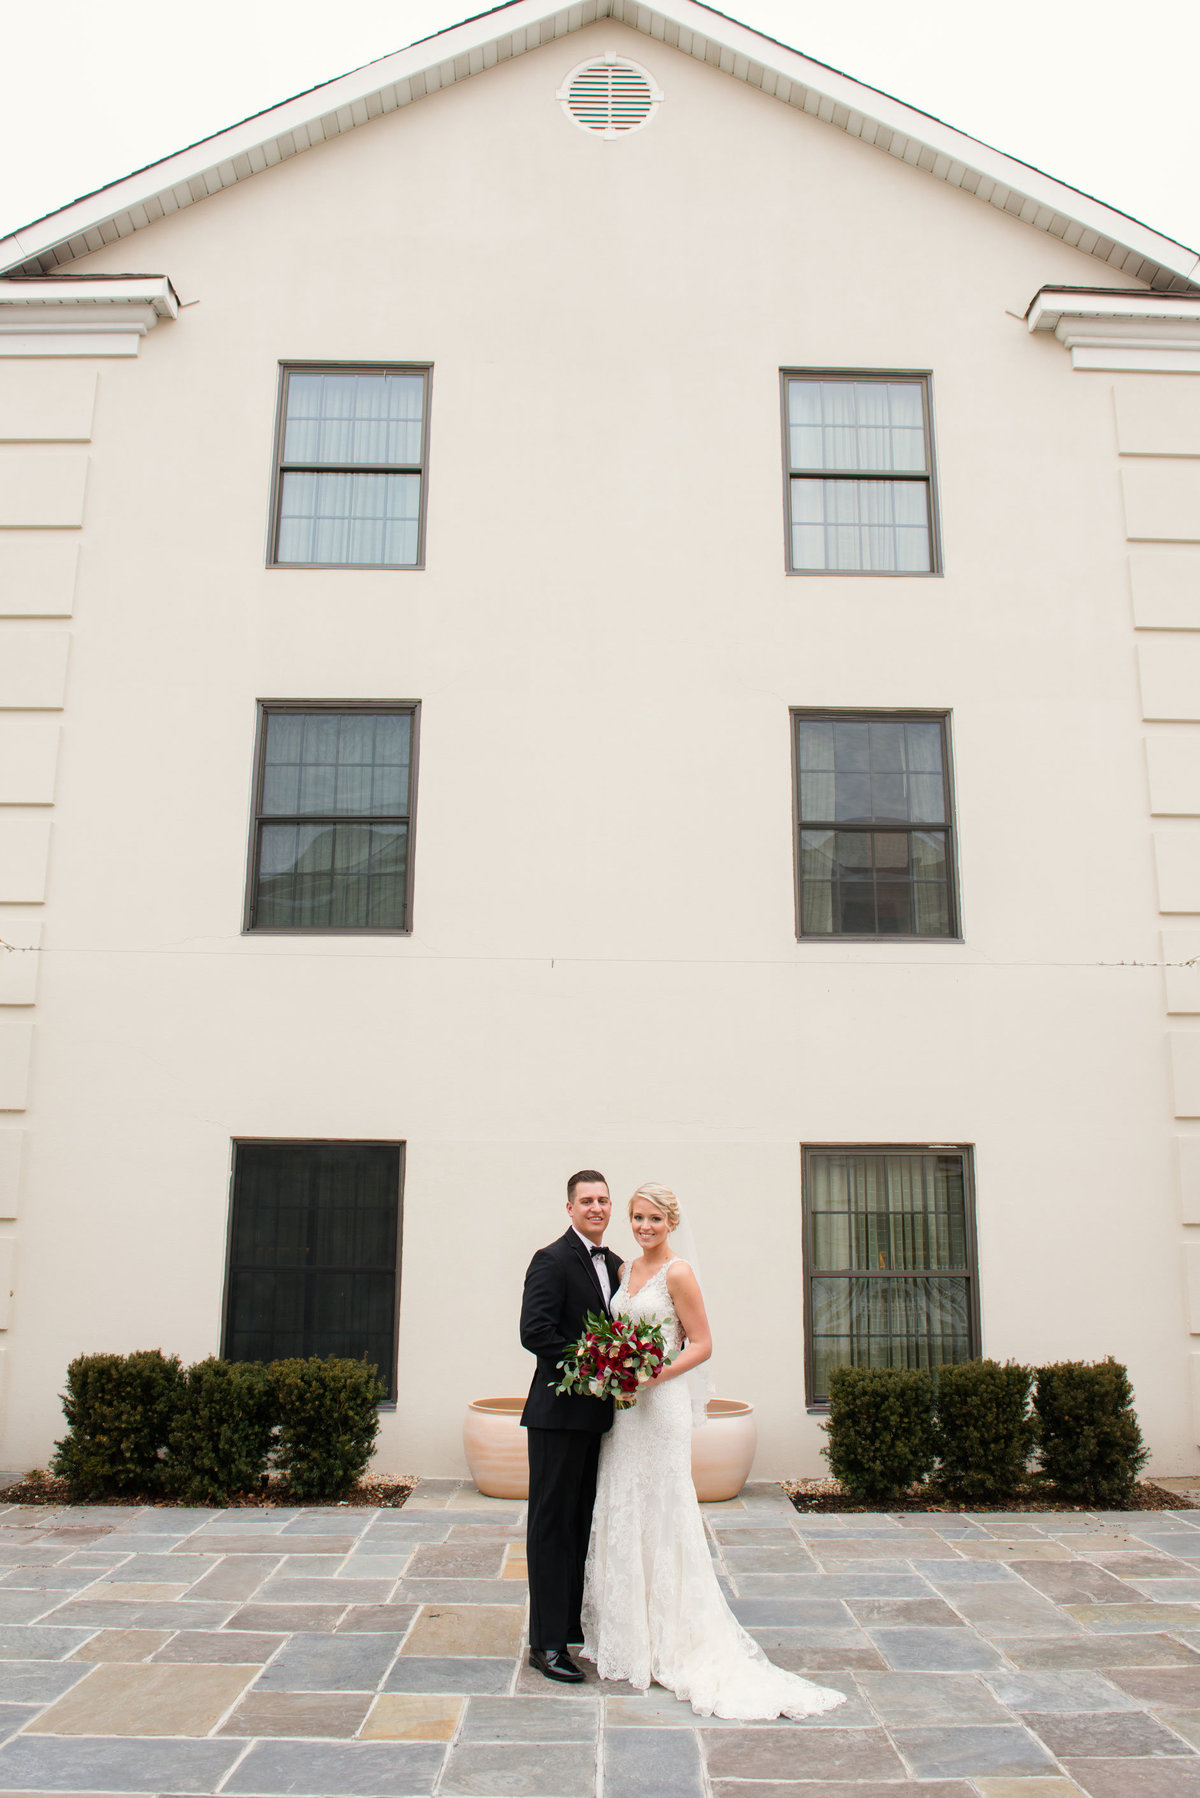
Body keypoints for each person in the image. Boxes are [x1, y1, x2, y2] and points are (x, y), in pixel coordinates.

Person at [581, 1182, 847, 1720]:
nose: (643, 1226)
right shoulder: (622, 1270)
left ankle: (675, 1640)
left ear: (671, 1222)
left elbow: (702, 1343)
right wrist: (610, 1366)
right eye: (636, 1217)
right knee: (624, 1506)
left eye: (653, 1218)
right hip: (626, 1415)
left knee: (664, 1513)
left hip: (661, 1409)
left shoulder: (677, 1273)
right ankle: (630, 1637)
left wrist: (654, 1374)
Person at [519, 1169, 625, 1683]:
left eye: (603, 1200)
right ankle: (545, 1644)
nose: (596, 1208)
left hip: (596, 1419)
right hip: (557, 1417)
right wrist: (598, 1360)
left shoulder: (618, 1265)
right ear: (569, 1208)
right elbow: (534, 1332)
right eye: (587, 1201)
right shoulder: (551, 1259)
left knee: (580, 1526)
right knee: (551, 1528)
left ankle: (569, 1629)